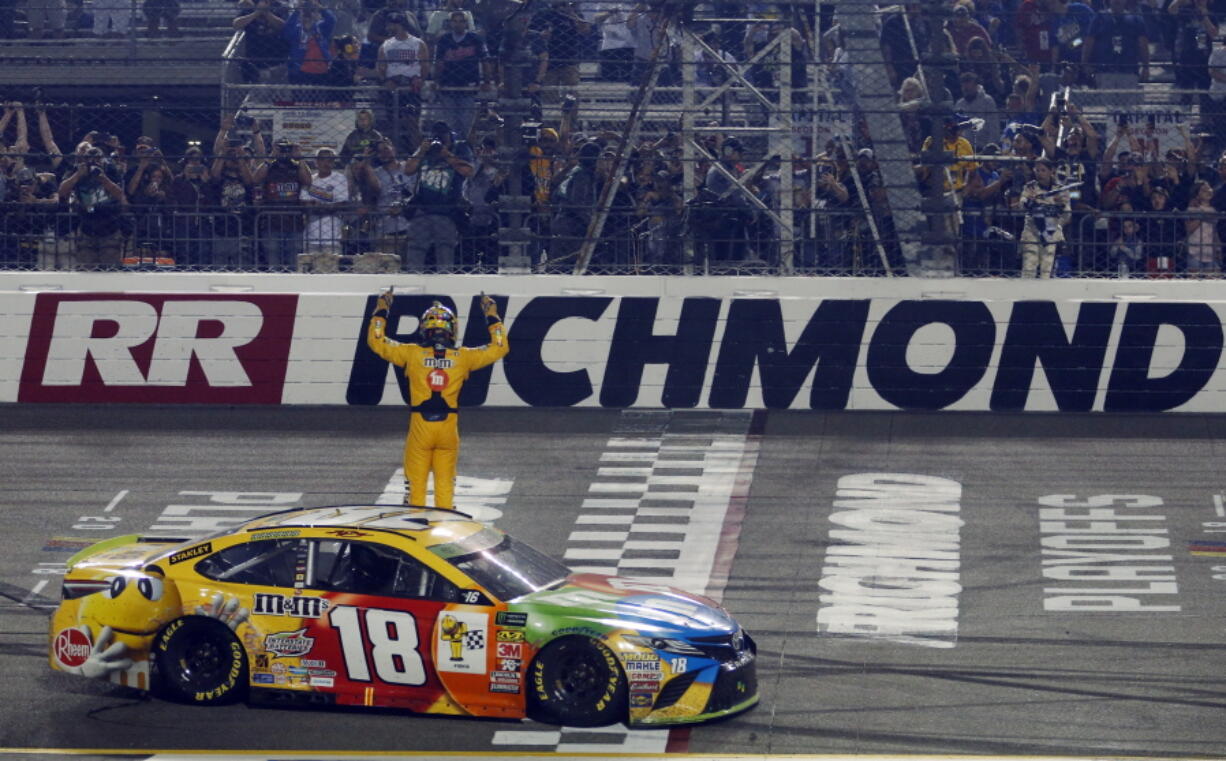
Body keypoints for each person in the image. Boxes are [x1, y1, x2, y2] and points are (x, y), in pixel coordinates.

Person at [366, 290, 508, 509]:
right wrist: (492, 315)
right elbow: (500, 346)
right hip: (448, 430)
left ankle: (416, 532)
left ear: (424, 328)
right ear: (452, 329)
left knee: (416, 493)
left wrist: (381, 309)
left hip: (420, 429)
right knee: (445, 492)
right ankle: (445, 530)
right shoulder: (464, 356)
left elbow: (376, 340)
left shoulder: (411, 353)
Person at [403, 121, 473, 270]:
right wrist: (421, 151)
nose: (439, 140)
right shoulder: (426, 149)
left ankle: (445, 283)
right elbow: (408, 170)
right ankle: (414, 282)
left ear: (449, 135)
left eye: (443, 136)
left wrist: (446, 154)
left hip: (447, 210)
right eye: (437, 136)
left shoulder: (460, 147)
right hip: (422, 209)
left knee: (445, 251)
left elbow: (467, 171)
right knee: (415, 248)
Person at [58, 146, 127, 269]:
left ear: (102, 159)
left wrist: (103, 179)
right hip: (86, 227)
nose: (93, 162)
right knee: (86, 270)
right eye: (89, 159)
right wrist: (78, 175)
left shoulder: (111, 169)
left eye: (97, 159)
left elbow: (120, 195)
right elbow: (62, 192)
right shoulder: (77, 170)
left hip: (110, 226)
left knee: (111, 270)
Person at [299, 147, 351, 271]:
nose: (326, 163)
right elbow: (304, 203)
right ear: (316, 162)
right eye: (322, 160)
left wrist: (318, 206)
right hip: (311, 234)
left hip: (332, 235)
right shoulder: (309, 179)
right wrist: (328, 207)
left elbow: (342, 203)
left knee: (330, 271)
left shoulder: (339, 179)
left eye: (330, 160)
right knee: (309, 272)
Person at [1019, 155, 1071, 277]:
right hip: (1032, 232)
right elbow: (1022, 205)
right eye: (1037, 170)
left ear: (1051, 171)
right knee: (1029, 267)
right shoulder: (1030, 187)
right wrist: (1029, 202)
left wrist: (1060, 206)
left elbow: (1067, 214)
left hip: (1051, 233)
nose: (1040, 173)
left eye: (1043, 170)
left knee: (1047, 269)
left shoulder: (1060, 190)